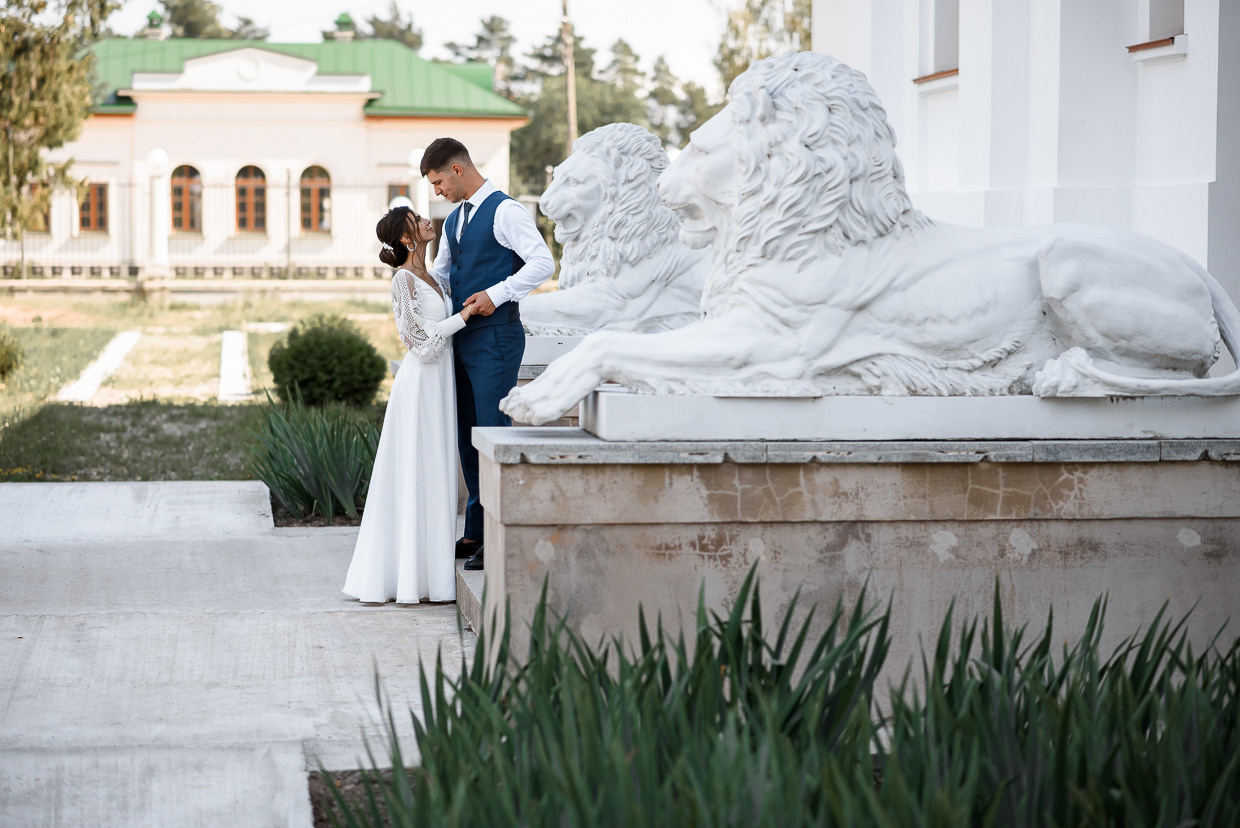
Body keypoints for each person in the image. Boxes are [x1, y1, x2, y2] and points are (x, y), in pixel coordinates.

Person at [421, 138, 554, 571]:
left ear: (457, 170)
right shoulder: (456, 217)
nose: (437, 191)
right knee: (467, 435)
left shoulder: (506, 211)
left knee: (493, 432)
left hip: (495, 336)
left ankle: (499, 536)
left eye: (439, 182)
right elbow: (443, 274)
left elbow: (541, 263)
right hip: (459, 337)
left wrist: (497, 294)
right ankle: (476, 531)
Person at [342, 206, 474, 603]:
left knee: (437, 471)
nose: (427, 221)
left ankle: (433, 577)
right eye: (418, 220)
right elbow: (422, 343)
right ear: (406, 237)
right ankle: (405, 578)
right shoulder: (403, 280)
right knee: (416, 470)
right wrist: (465, 316)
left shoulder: (433, 276)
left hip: (441, 386)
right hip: (419, 386)